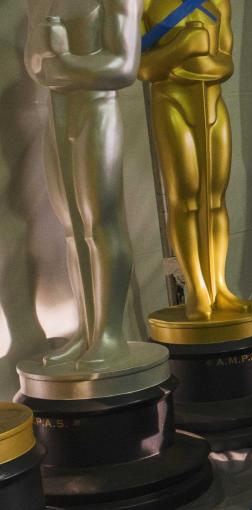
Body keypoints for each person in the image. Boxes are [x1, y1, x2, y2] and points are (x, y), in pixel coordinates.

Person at [23, 0, 141, 367]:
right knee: (73, 228)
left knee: (101, 222)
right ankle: (88, 330)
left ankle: (109, 334)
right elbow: (35, 65)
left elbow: (123, 67)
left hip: (97, 110)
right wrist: (53, 64)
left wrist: (64, 63)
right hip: (60, 111)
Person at [138, 0, 251, 321]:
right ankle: (197, 290)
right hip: (172, 104)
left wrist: (188, 63)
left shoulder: (219, 2)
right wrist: (184, 48)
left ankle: (219, 286)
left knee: (215, 199)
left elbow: (226, 62)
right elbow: (142, 68)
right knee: (185, 198)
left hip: (214, 106)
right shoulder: (145, 4)